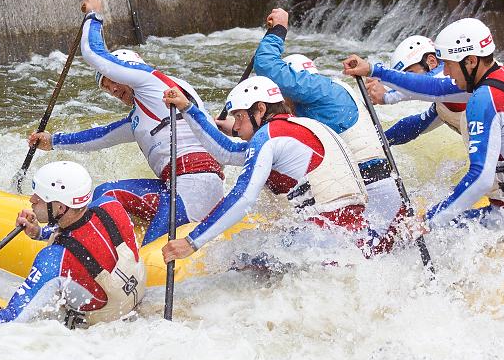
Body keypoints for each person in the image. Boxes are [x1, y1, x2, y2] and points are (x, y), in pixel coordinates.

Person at [29, 0, 224, 245]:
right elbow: (101, 136)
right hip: (173, 186)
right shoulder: (141, 113)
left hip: (197, 186)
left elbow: (93, 54)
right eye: (106, 88)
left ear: (129, 70)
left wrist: (93, 16)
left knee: (153, 250)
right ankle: (62, 235)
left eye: (113, 80)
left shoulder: (152, 83)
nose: (112, 89)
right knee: (106, 193)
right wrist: (53, 141)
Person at [344, 18, 504, 228]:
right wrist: (373, 71)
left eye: (448, 64)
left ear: (471, 61)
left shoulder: (483, 100)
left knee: (409, 238)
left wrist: (428, 221)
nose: (446, 72)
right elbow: (434, 88)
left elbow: (481, 179)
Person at [161, 75, 385, 263]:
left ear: (260, 109)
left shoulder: (269, 136)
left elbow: (244, 197)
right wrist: (187, 108)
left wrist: (192, 242)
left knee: (239, 262)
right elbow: (227, 152)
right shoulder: (302, 126)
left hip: (321, 239)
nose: (236, 127)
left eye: (239, 116)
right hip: (357, 237)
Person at [0, 161, 146, 328]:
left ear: (61, 207)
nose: (31, 200)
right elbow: (85, 237)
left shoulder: (53, 259)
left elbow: (12, 319)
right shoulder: (110, 205)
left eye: (39, 198)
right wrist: (39, 233)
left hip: (103, 324)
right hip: (136, 296)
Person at [249, 8, 403, 232]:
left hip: (369, 199)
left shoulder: (318, 89)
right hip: (372, 195)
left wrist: (279, 29)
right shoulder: (331, 93)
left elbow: (266, 66)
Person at [362, 35, 467, 145]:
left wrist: (385, 91)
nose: (405, 83)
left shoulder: (459, 81)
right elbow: (414, 126)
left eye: (410, 74)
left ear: (431, 61)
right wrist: (381, 141)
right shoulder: (444, 103)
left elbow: (431, 83)